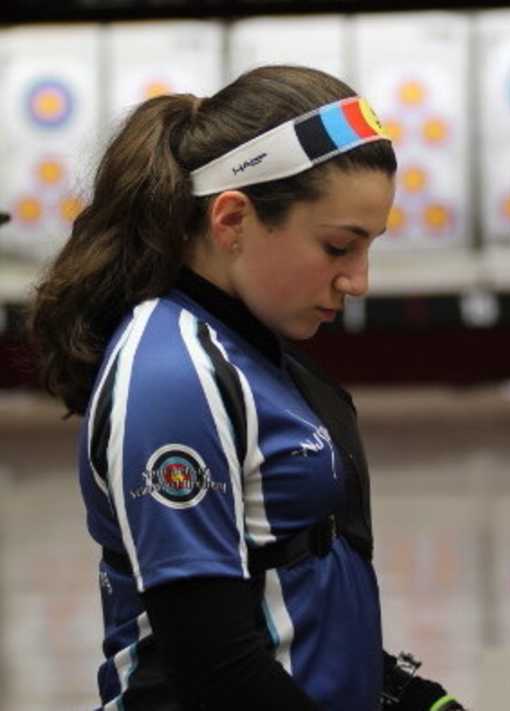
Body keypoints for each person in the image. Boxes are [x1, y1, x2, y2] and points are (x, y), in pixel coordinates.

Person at [29, 64, 469, 711]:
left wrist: (407, 695)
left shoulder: (250, 350)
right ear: (232, 219)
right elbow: (215, 668)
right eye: (338, 246)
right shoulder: (174, 372)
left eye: (368, 246)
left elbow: (292, 587)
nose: (358, 280)